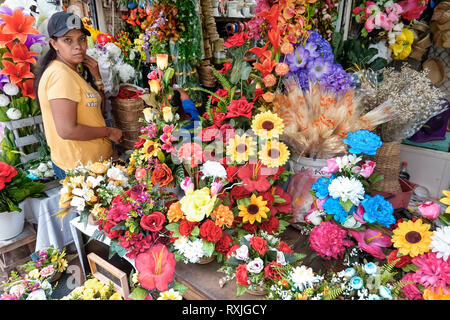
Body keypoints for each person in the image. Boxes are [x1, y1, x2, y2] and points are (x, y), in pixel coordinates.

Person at [35, 11, 122, 180]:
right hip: (80, 170)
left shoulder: (70, 70)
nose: (78, 46)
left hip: (92, 165)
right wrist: (108, 131)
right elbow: (67, 130)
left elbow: (98, 110)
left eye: (81, 38)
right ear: (54, 43)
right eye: (68, 40)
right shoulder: (60, 75)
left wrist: (97, 76)